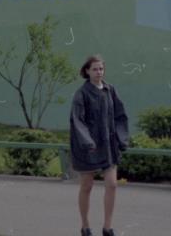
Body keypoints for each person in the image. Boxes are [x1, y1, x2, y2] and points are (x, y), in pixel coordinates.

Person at [69, 54, 129, 236]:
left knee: (112, 184)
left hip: (108, 145)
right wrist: (87, 141)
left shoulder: (110, 90)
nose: (99, 72)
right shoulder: (81, 94)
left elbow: (120, 116)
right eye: (95, 69)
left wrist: (122, 139)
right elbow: (77, 120)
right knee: (87, 186)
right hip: (87, 146)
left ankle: (107, 228)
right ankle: (85, 226)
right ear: (87, 71)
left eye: (101, 68)